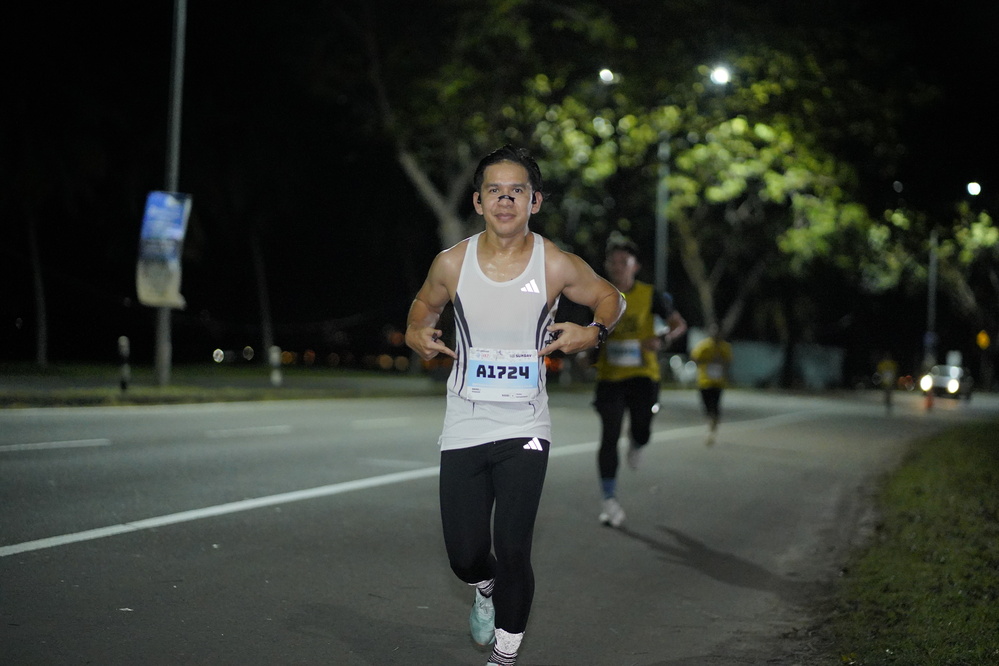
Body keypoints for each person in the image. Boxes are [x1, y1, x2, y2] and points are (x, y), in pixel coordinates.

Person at [405, 145, 625, 666]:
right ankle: (483, 586)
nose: (505, 201)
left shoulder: (555, 263)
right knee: (465, 556)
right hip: (466, 419)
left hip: (526, 423)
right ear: (478, 202)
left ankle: (504, 657)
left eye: (517, 191)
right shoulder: (451, 263)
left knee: (514, 547)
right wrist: (416, 333)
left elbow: (611, 298)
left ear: (535, 201)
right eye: (495, 191)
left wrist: (593, 332)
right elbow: (423, 307)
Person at [591, 236, 687, 528]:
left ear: (635, 266)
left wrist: (662, 339)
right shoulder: (596, 294)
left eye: (624, 262)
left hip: (643, 376)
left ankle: (637, 441)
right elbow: (586, 330)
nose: (618, 267)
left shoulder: (650, 294)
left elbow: (678, 325)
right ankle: (609, 499)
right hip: (610, 377)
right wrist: (584, 352)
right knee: (609, 436)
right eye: (613, 262)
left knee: (642, 429)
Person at [690, 323, 732, 446]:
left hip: (718, 382)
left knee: (715, 406)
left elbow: (729, 362)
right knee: (707, 406)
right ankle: (711, 424)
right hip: (704, 381)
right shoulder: (704, 346)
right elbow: (694, 357)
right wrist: (706, 361)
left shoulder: (725, 347)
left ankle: (711, 429)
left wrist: (721, 362)